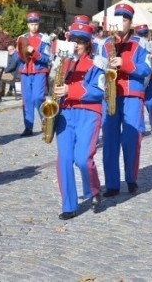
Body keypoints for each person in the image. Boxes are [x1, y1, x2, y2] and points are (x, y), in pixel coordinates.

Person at [53, 23, 105, 220]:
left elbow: (98, 92)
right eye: (73, 40)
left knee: (83, 159)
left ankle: (93, 189)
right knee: (64, 160)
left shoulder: (97, 63)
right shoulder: (63, 62)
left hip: (88, 113)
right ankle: (69, 205)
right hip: (66, 113)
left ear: (88, 44)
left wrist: (70, 90)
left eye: (80, 42)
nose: (76, 45)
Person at [102, 4, 151, 196]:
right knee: (110, 140)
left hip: (131, 95)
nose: (121, 23)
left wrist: (125, 63)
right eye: (118, 19)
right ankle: (112, 184)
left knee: (131, 139)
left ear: (131, 23)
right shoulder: (104, 43)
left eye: (125, 20)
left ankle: (131, 179)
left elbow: (146, 68)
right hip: (110, 95)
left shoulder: (140, 43)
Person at [12, 12, 51, 137]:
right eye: (31, 24)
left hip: (39, 71)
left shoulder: (44, 39)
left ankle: (45, 121)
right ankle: (28, 127)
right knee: (27, 100)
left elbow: (46, 59)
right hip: (25, 72)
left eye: (36, 24)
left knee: (38, 98)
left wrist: (34, 52)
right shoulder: (22, 38)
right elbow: (17, 57)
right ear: (28, 25)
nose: (34, 27)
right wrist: (15, 53)